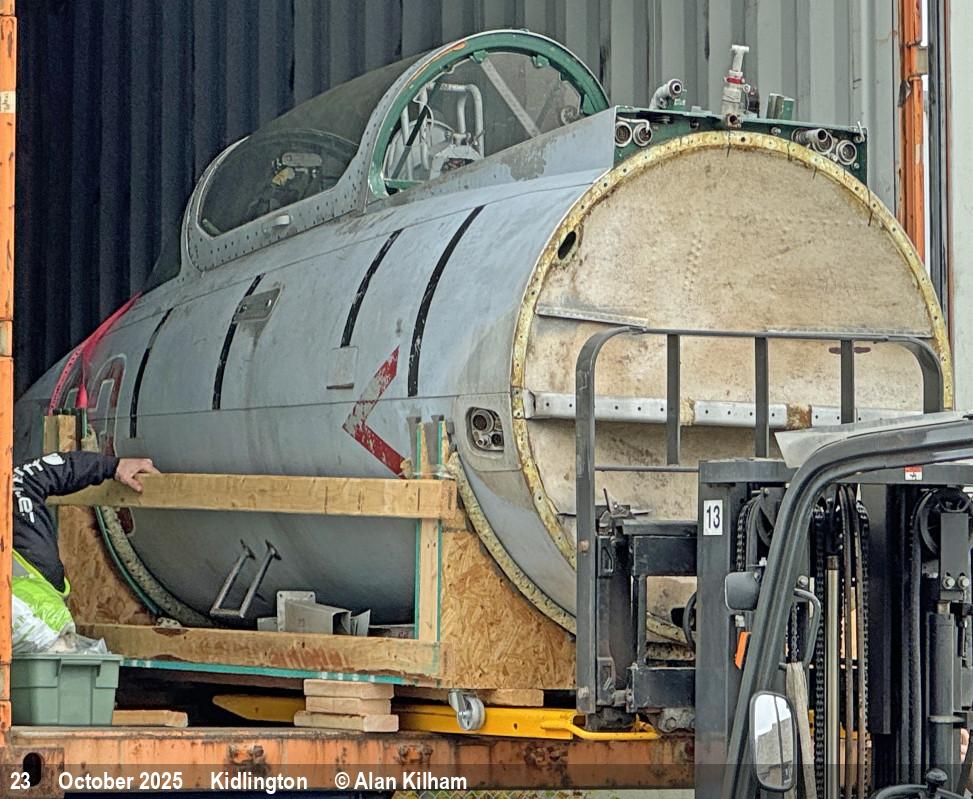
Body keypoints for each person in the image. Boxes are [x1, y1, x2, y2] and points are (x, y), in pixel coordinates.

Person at [12, 450, 159, 653]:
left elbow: (27, 476)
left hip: (42, 623)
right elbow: (28, 476)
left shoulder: (16, 491)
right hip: (44, 628)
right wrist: (113, 466)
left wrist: (112, 466)